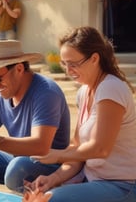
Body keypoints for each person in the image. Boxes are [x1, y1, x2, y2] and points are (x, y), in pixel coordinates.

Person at [26, 26, 136, 202]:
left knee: (49, 200)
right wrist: (52, 179)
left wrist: (58, 155)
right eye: (64, 63)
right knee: (25, 173)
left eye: (73, 64)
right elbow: (78, 151)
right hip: (91, 178)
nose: (68, 71)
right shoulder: (84, 92)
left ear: (94, 59)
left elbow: (100, 149)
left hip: (123, 185)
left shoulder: (111, 88)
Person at [0, 40, 71, 192]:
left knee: (17, 169)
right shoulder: (1, 93)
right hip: (19, 162)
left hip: (50, 165)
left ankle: (27, 192)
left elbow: (41, 147)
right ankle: (15, 191)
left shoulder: (46, 92)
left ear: (19, 69)